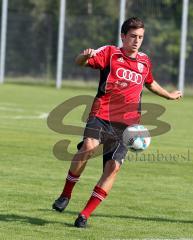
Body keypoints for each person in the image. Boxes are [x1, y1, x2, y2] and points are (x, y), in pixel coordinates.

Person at [52, 17, 182, 228]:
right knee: (88, 147)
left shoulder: (144, 61)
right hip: (102, 114)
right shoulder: (111, 53)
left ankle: (84, 215)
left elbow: (149, 82)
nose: (137, 41)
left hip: (128, 125)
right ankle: (66, 194)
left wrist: (168, 95)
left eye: (140, 37)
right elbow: (80, 62)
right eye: (132, 36)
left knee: (113, 167)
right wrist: (83, 57)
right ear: (123, 36)